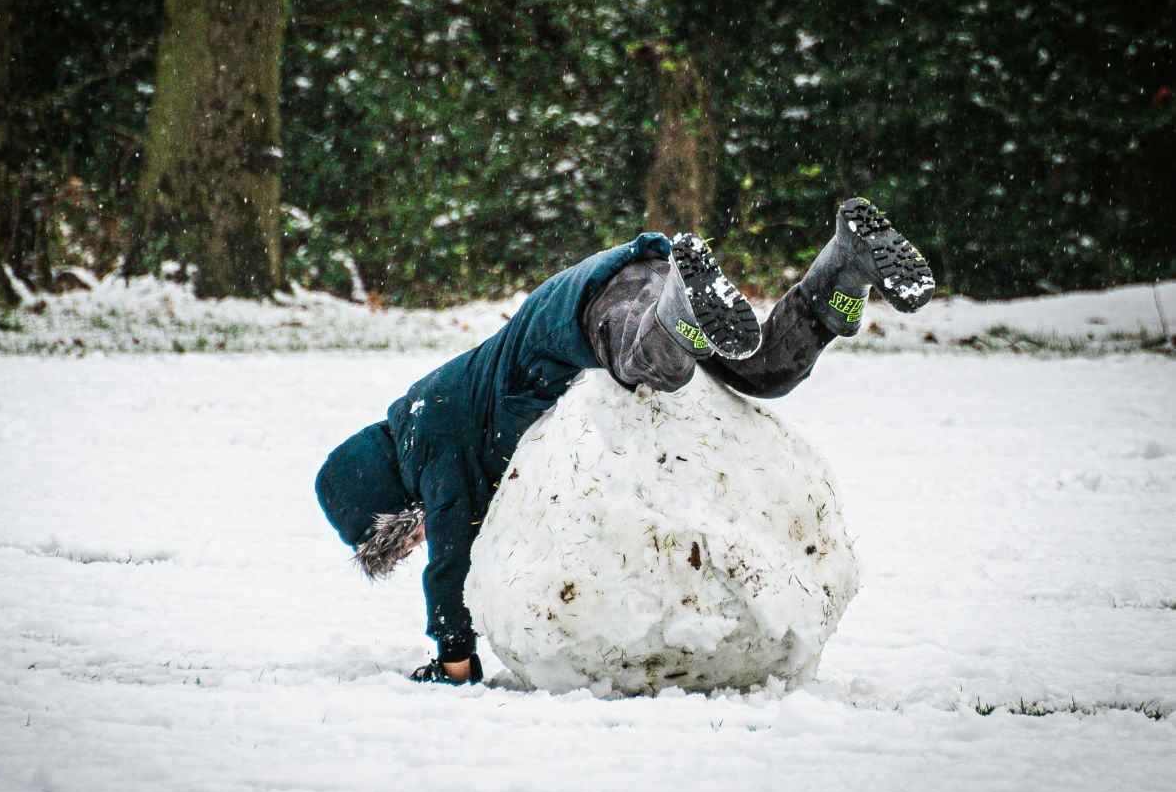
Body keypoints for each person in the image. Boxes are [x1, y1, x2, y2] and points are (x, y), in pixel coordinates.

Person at [315, 198, 934, 684]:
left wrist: (454, 659)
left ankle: (680, 305)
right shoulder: (432, 418)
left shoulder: (429, 435)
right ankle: (844, 270)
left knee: (653, 366)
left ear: (389, 505)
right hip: (631, 291)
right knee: (766, 370)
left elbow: (450, 551)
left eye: (403, 534)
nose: (418, 537)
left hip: (589, 304)